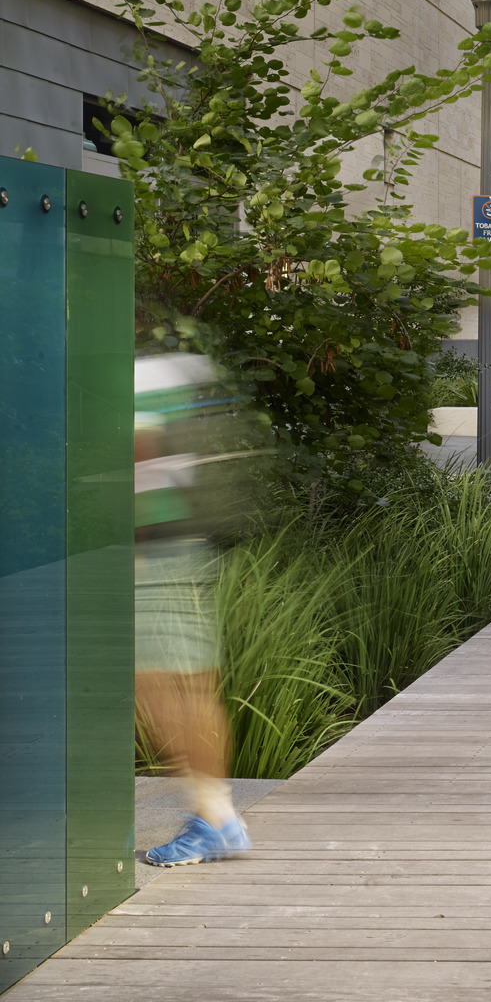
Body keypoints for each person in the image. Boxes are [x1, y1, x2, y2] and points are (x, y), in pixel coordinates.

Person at [135, 352, 253, 865]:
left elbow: (141, 451)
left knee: (159, 688)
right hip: (184, 547)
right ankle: (217, 815)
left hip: (152, 552)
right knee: (191, 685)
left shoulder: (134, 379)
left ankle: (216, 820)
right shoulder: (167, 372)